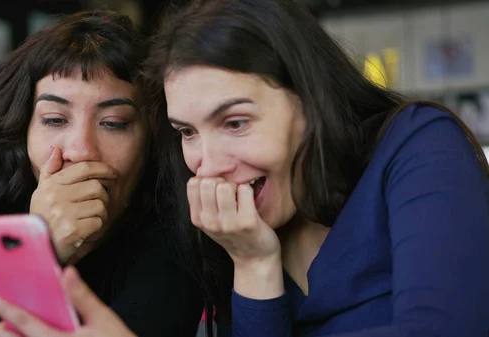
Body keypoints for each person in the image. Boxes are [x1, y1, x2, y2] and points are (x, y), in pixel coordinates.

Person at [138, 0, 489, 336]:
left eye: (235, 123)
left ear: (309, 100)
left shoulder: (418, 143)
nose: (209, 167)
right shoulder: (231, 236)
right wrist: (253, 265)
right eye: (187, 131)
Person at [0, 10, 203, 337]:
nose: (81, 150)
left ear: (151, 141)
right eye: (54, 120)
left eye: (114, 124)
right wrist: (30, 250)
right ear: (22, 130)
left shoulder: (175, 235)